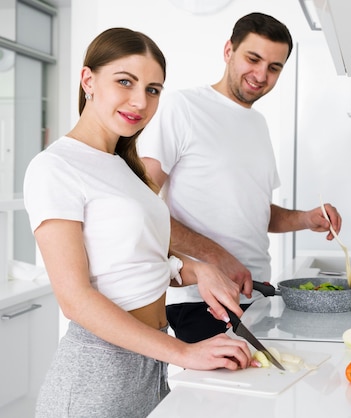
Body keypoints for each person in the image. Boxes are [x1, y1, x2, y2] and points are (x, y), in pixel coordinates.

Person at [23, 28, 257, 418]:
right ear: (88, 80)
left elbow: (134, 259)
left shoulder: (126, 169)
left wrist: (198, 270)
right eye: (125, 82)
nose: (140, 101)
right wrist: (185, 352)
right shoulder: (55, 167)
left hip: (150, 362)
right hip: (96, 376)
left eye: (153, 89)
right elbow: (75, 298)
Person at [138, 12, 343, 343]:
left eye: (274, 67)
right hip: (203, 301)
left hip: (256, 296)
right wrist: (215, 257)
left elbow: (256, 211)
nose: (261, 74)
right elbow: (142, 204)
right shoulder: (182, 107)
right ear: (228, 51)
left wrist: (306, 218)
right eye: (253, 58)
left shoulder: (258, 124)